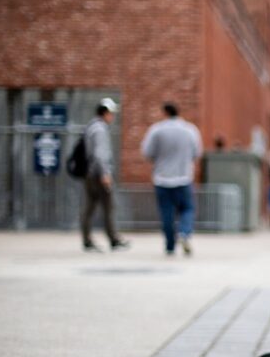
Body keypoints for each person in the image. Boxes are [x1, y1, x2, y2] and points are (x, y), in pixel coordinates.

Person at [141, 102, 202, 256]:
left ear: (165, 112)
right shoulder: (190, 130)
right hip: (183, 178)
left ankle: (169, 246)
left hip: (162, 179)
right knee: (187, 209)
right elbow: (197, 153)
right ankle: (184, 233)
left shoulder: (156, 130)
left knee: (166, 213)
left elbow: (147, 152)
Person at [82, 98, 131, 253]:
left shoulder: (91, 126)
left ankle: (88, 239)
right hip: (98, 175)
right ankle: (112, 239)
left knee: (90, 207)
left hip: (91, 174)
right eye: (111, 113)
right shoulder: (100, 129)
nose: (113, 117)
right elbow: (100, 154)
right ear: (105, 113)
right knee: (108, 207)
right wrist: (105, 174)